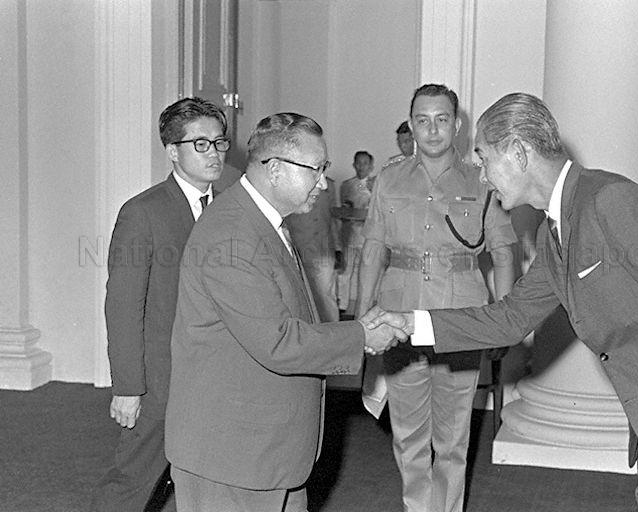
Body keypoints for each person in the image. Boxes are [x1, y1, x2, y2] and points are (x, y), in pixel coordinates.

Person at [368, 92, 638, 512]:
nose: (483, 177)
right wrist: (410, 323)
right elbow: (509, 318)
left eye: (485, 160)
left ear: (518, 153)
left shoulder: (611, 201)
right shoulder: (554, 232)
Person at [164, 112, 404, 512]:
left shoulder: (260, 220)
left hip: (268, 453)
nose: (324, 182)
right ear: (275, 169)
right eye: (317, 169)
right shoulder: (232, 234)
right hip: (233, 458)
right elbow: (278, 341)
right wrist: (362, 335)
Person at [355, 83, 517, 512]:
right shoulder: (389, 179)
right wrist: (360, 317)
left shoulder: (481, 180)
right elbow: (372, 249)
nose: (432, 130)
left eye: (442, 119)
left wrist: (505, 319)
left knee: (452, 440)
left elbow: (503, 253)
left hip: (461, 321)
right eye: (422, 121)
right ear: (411, 125)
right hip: (398, 318)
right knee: (408, 437)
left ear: (457, 125)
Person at [92, 97, 230, 512]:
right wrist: (129, 388)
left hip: (215, 373)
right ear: (173, 151)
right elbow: (122, 306)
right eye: (200, 144)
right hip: (161, 380)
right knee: (133, 482)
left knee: (208, 479)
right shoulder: (142, 213)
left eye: (220, 142)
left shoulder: (229, 210)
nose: (214, 153)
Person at [284, 176, 342, 322]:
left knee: (326, 296)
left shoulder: (329, 185)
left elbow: (333, 219)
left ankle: (333, 336)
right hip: (297, 251)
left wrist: (338, 249)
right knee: (298, 297)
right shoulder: (289, 183)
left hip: (323, 250)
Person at [337, 151, 375, 313]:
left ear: (371, 166)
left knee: (366, 273)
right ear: (354, 165)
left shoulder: (377, 185)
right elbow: (344, 210)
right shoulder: (346, 186)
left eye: (365, 163)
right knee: (345, 271)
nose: (361, 167)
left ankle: (365, 306)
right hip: (350, 235)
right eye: (358, 163)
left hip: (368, 237)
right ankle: (342, 305)